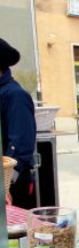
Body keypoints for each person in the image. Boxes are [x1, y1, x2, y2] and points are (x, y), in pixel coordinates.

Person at [0, 38, 37, 209]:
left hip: (13, 184)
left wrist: (5, 186)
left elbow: (20, 145)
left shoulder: (15, 95)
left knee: (15, 234)